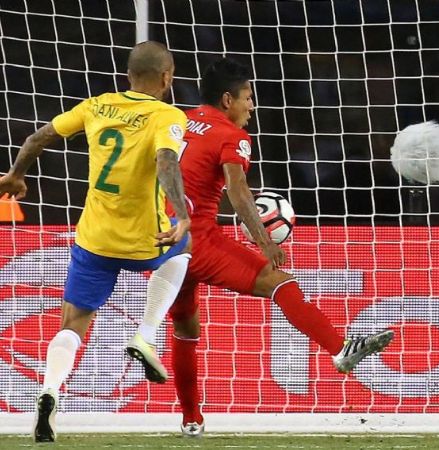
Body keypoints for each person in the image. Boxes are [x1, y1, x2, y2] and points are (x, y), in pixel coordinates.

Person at [168, 57, 394, 437]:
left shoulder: (177, 121)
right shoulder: (232, 136)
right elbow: (238, 191)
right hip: (198, 241)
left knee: (186, 326)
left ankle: (191, 419)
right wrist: (263, 242)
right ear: (227, 100)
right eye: (248, 98)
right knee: (280, 281)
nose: (252, 107)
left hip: (159, 240)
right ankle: (340, 349)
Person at [0, 41, 192, 443]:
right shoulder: (167, 114)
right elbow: (167, 161)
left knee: (73, 322)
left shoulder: (95, 106)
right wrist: (183, 213)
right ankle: (146, 334)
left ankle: (49, 390)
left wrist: (17, 174)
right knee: (185, 248)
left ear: (127, 76)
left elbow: (37, 138)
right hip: (145, 238)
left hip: (94, 237)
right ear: (167, 77)